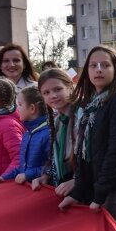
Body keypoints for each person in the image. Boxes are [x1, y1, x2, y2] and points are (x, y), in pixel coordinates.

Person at [58, 46, 116, 230]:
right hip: (101, 187)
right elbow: (83, 151)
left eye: (105, 65)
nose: (98, 69)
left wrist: (99, 195)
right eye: (93, 65)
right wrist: (79, 191)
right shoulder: (90, 104)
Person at [31, 68, 78, 196]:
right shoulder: (56, 121)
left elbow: (94, 159)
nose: (53, 95)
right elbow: (56, 158)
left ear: (70, 87)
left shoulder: (83, 117)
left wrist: (77, 181)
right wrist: (46, 175)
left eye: (58, 89)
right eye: (46, 92)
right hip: (64, 186)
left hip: (84, 189)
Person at [0, 85, 50, 185]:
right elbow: (22, 167)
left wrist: (28, 175)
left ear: (32, 108)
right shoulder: (27, 133)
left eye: (20, 104)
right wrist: (5, 177)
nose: (17, 109)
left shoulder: (47, 134)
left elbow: (52, 168)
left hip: (42, 190)